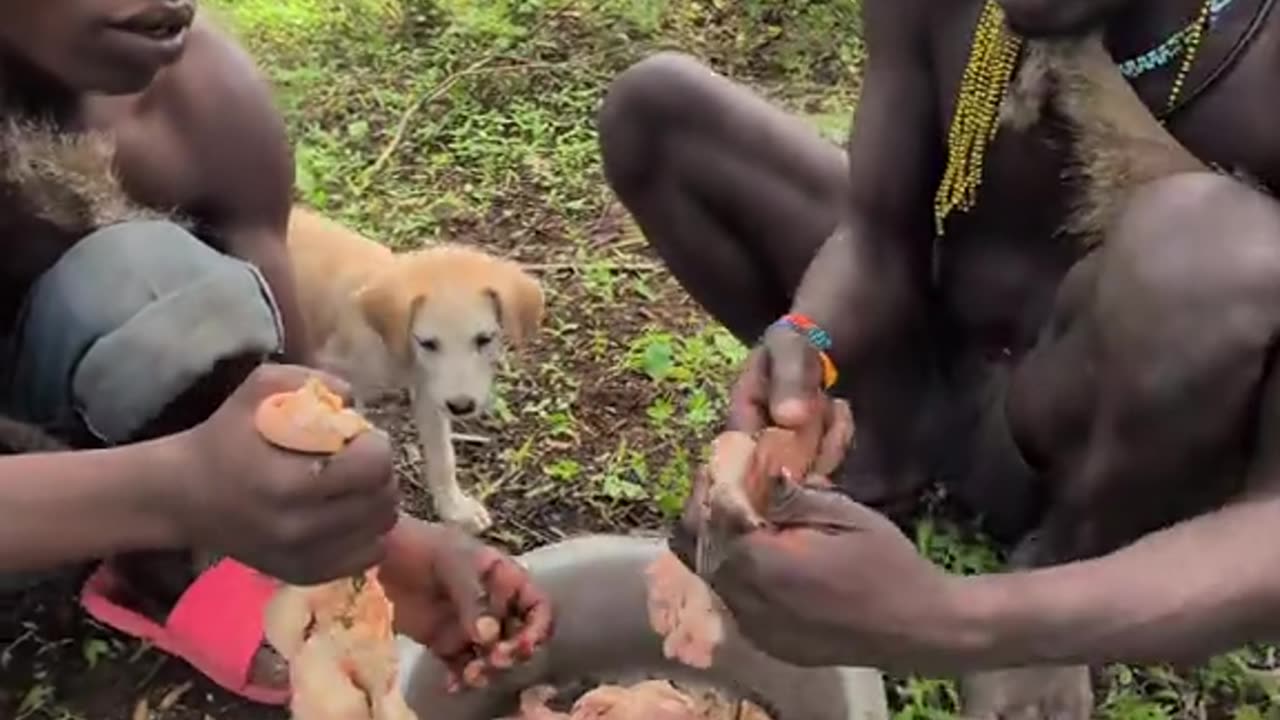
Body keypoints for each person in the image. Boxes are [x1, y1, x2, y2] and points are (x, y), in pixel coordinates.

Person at [599, 0, 1280, 715]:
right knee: (658, 110)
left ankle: (1063, 556)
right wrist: (809, 340)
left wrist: (971, 623)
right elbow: (875, 237)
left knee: (1214, 253)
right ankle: (878, 464)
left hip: (1085, 438)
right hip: (934, 362)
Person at [0, 0, 550, 705]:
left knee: (146, 273)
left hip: (76, 427)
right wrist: (176, 490)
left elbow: (297, 402)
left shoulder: (202, 104)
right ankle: (154, 532)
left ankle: (164, 567)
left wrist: (369, 544)